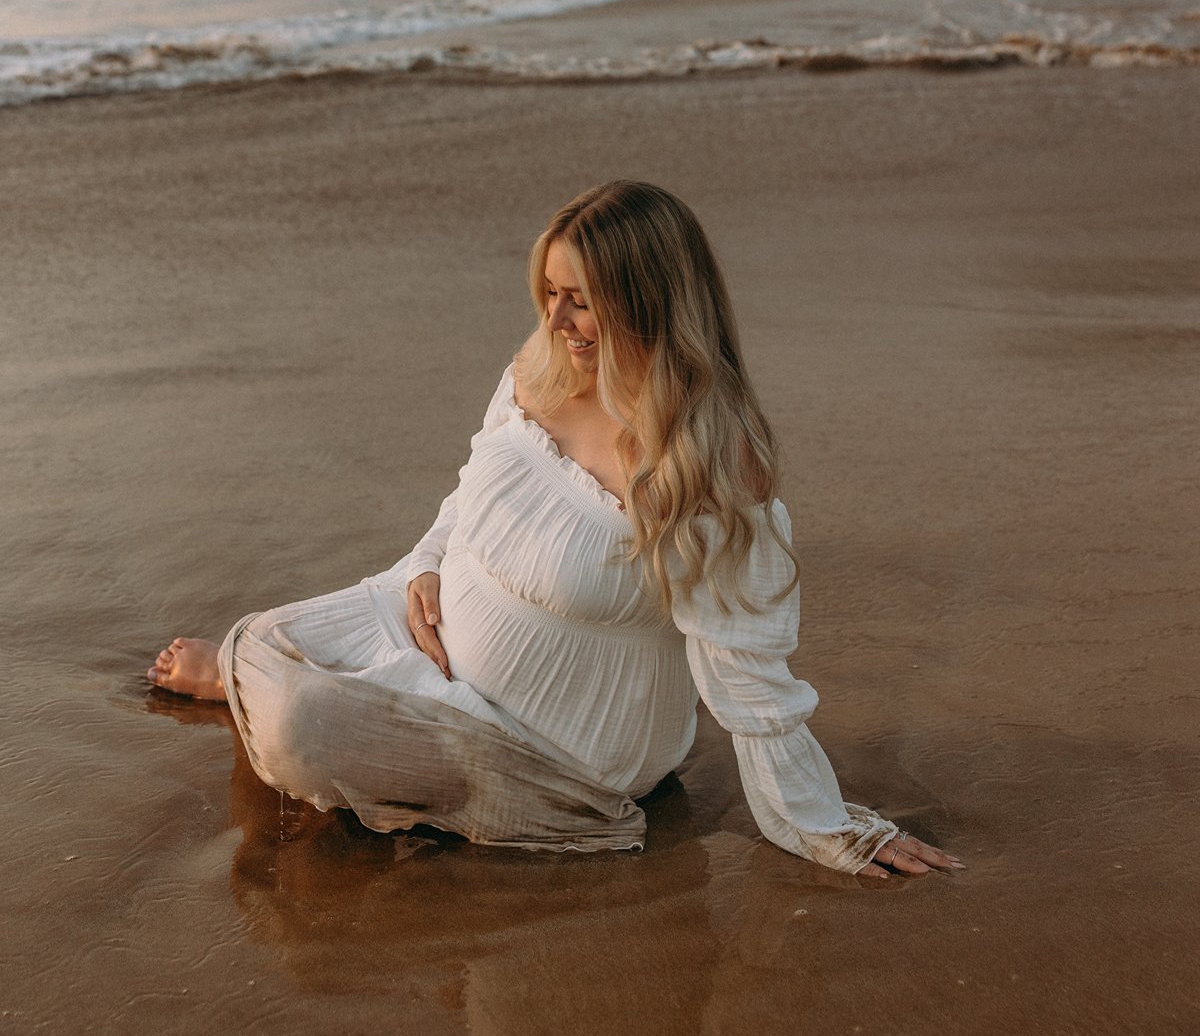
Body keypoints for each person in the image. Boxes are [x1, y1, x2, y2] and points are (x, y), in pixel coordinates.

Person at [148, 181, 961, 879]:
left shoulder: (708, 467)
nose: (559, 319)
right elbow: (474, 486)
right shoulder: (541, 367)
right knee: (263, 639)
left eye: (583, 299)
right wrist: (429, 565)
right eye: (549, 292)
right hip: (431, 621)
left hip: (559, 738)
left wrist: (823, 825)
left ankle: (424, 762)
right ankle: (303, 690)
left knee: (298, 722)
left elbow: (750, 681)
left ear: (650, 299)